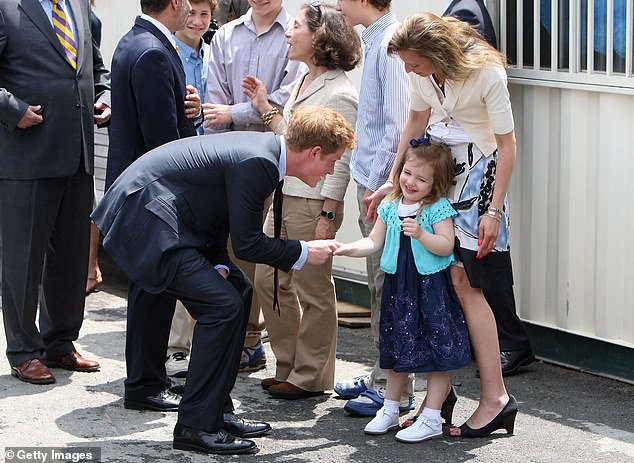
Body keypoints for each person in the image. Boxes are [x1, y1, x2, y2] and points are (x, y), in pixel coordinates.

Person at [92, 106, 356, 455]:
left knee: (238, 291)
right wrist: (304, 251)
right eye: (332, 161)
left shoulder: (266, 155)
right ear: (314, 152)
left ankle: (216, 409)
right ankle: (196, 425)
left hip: (169, 218)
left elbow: (215, 211)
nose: (331, 169)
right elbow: (246, 243)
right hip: (148, 218)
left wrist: (214, 261)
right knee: (223, 305)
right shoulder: (259, 162)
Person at [383, 12, 519, 437]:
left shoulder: (487, 73)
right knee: (438, 282)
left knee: (468, 284)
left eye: (414, 63)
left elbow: (507, 144)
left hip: (480, 179)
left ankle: (495, 398)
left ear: (436, 54)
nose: (409, 71)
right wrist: (392, 182)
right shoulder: (423, 72)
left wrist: (493, 211)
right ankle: (438, 400)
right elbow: (415, 121)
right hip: (436, 175)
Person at [241, 2, 360, 399]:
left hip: (312, 201)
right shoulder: (303, 80)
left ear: (320, 36)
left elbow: (339, 159)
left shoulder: (340, 91)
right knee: (268, 280)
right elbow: (292, 137)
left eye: (295, 27)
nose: (288, 33)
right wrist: (264, 107)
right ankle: (289, 365)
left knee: (313, 291)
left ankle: (309, 377)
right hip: (284, 193)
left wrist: (329, 212)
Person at [0, 0, 110, 385]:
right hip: (26, 155)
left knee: (70, 257)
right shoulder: (7, 8)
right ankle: (23, 351)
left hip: (77, 154)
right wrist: (12, 109)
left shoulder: (79, 6)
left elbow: (96, 69)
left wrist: (105, 97)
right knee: (22, 261)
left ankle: (60, 342)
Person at [335, 139, 473, 442]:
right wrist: (347, 249)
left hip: (430, 288)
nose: (411, 182)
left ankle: (432, 416)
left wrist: (422, 234)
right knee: (397, 350)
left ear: (436, 184)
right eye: (407, 173)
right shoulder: (389, 205)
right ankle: (390, 408)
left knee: (435, 354)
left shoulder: (437, 209)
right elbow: (373, 241)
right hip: (399, 287)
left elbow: (446, 245)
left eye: (421, 179)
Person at [105, 0, 202, 412]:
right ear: (176, 4)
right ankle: (144, 384)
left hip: (137, 188)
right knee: (152, 289)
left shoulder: (136, 41)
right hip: (151, 193)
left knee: (152, 288)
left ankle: (151, 377)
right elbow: (163, 141)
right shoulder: (152, 51)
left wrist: (188, 110)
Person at [203, 0, 305, 372]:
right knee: (231, 251)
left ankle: (265, 346)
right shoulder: (226, 35)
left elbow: (285, 101)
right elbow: (214, 107)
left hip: (275, 161)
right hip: (228, 159)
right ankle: (237, 338)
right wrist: (228, 119)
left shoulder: (297, 33)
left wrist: (236, 112)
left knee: (262, 256)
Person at [442, 0, 535, 376]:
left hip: (481, 159)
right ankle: (496, 340)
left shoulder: (466, 13)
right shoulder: (463, 6)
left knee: (485, 257)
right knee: (468, 260)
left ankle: (513, 342)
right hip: (460, 160)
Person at [332, 0, 414, 417]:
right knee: (377, 284)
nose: (338, 4)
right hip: (374, 183)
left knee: (387, 286)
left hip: (381, 188)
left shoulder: (388, 46)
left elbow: (398, 124)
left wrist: (382, 186)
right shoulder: (376, 39)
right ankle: (382, 373)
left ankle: (391, 386)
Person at [165, 0, 218, 379]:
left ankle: (198, 342)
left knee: (205, 254)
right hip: (181, 168)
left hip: (209, 166)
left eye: (205, 15)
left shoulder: (213, 52)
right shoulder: (168, 51)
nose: (197, 22)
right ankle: (174, 347)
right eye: (191, 13)